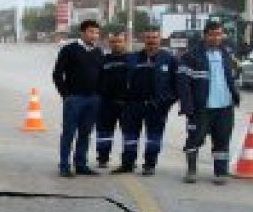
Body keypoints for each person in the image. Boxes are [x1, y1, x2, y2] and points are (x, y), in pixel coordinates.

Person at [177, 21, 240, 184]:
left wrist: (235, 96)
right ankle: (191, 171)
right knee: (194, 138)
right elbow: (183, 85)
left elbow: (233, 77)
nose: (216, 38)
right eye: (212, 34)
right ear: (205, 35)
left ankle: (220, 173)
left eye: (219, 34)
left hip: (224, 107)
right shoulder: (191, 56)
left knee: (222, 139)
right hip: (201, 108)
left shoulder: (227, 54)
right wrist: (187, 106)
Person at [118, 28, 179, 175]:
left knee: (153, 138)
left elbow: (177, 85)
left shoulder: (170, 59)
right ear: (143, 39)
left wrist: (166, 103)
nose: (151, 40)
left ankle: (149, 165)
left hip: (157, 106)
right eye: (148, 37)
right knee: (130, 137)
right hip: (133, 105)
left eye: (154, 37)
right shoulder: (132, 58)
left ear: (160, 39)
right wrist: (124, 100)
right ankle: (127, 164)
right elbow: (121, 80)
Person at [51, 19, 104, 177]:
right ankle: (64, 166)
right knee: (69, 133)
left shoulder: (98, 52)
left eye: (96, 32)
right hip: (74, 99)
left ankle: (81, 164)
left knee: (85, 133)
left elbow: (101, 76)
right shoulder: (69, 50)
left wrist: (98, 95)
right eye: (91, 32)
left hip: (92, 100)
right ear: (82, 33)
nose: (94, 35)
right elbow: (57, 74)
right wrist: (66, 95)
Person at [94, 32, 131, 170]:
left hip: (126, 103)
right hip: (105, 103)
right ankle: (102, 159)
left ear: (125, 42)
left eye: (119, 41)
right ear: (109, 43)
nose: (116, 44)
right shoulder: (104, 60)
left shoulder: (132, 59)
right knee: (104, 133)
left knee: (128, 134)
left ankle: (127, 161)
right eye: (113, 42)